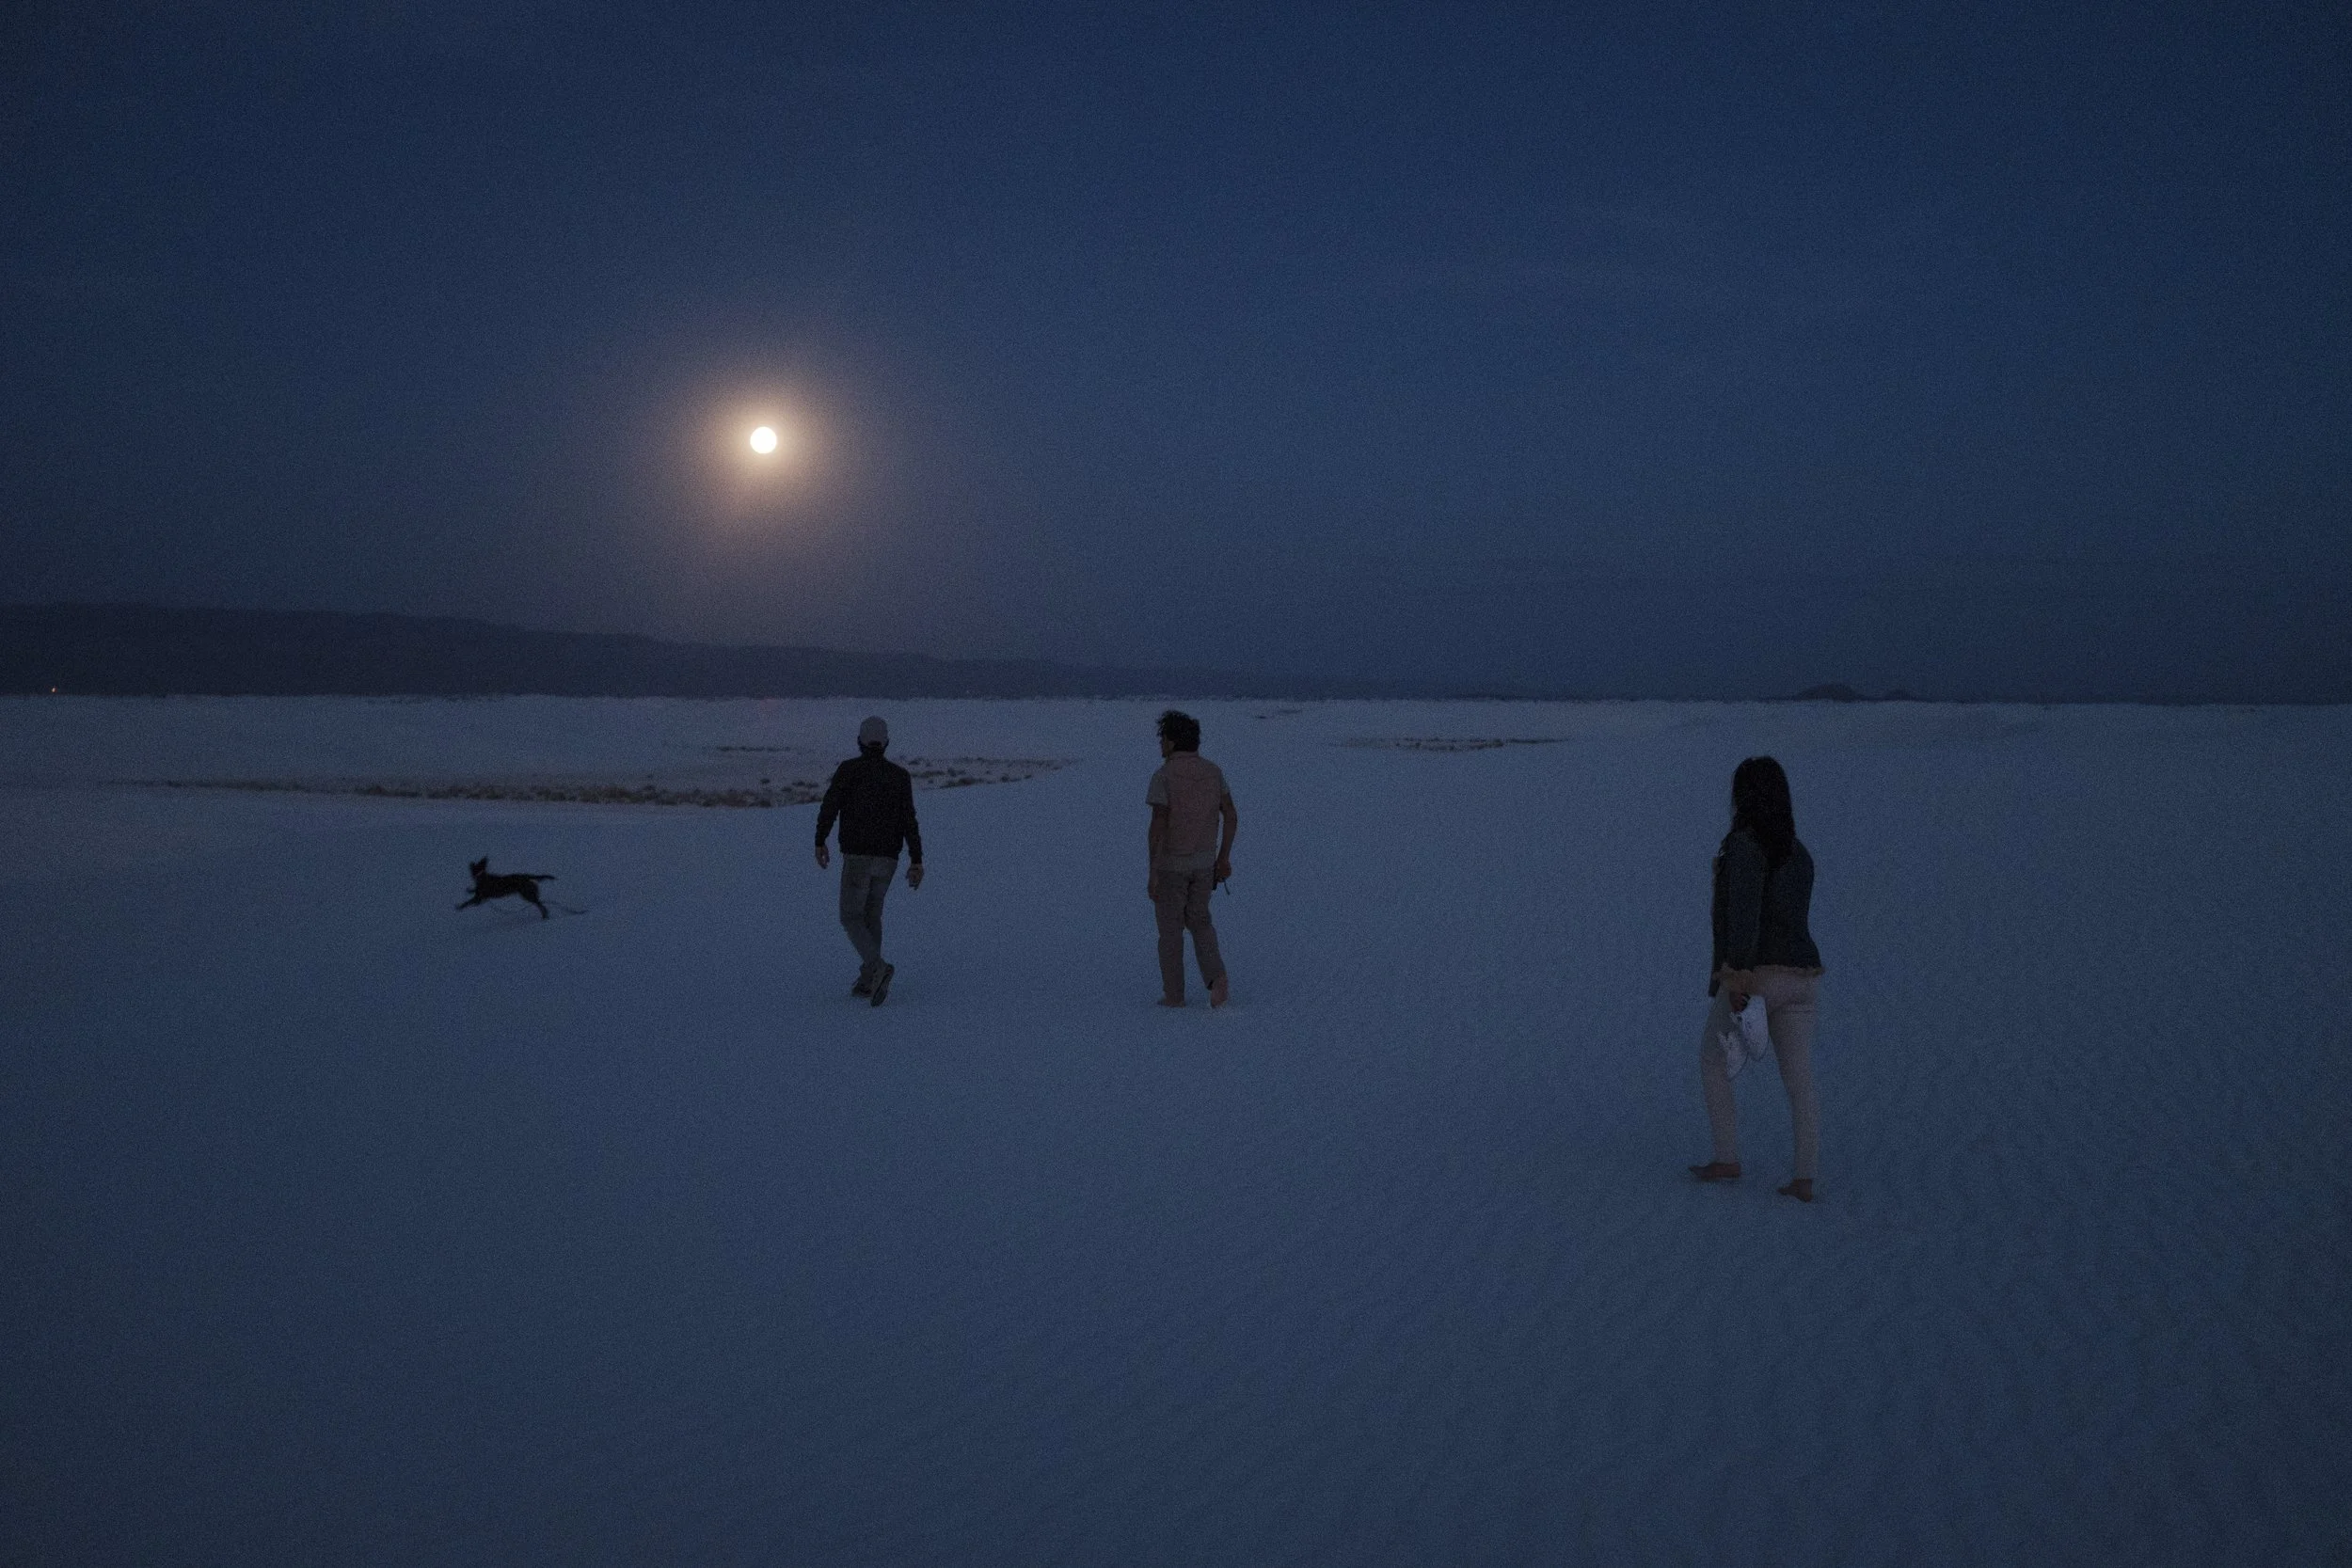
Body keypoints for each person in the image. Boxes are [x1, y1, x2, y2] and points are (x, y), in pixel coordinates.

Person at [1690, 755, 1826, 1200]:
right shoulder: (1799, 851)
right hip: (1803, 977)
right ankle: (1804, 1178)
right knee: (1799, 1079)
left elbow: (1745, 920)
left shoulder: (1747, 847)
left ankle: (1727, 1157)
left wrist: (1737, 983)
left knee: (1713, 1060)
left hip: (1760, 976)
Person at [815, 716, 924, 1006]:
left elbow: (830, 806)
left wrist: (820, 840)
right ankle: (867, 980)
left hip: (858, 856)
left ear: (860, 742)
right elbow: (908, 820)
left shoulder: (849, 771)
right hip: (888, 859)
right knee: (870, 915)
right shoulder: (899, 777)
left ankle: (877, 968)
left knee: (850, 917)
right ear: (886, 743)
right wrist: (916, 860)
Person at [1146, 709, 1237, 1007]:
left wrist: (1153, 871)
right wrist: (1223, 858)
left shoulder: (1164, 777)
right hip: (1203, 865)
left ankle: (1174, 996)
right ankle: (1217, 978)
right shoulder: (1213, 772)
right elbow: (1231, 815)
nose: (1160, 744)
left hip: (1172, 865)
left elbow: (1158, 825)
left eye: (1162, 738)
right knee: (1200, 922)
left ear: (1172, 742)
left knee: (1170, 931)